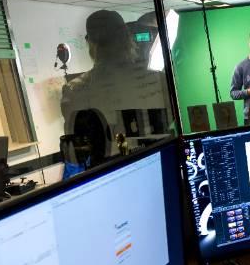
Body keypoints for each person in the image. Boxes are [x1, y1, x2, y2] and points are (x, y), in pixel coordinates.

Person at [61, 10, 172, 163]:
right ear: (127, 37)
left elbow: (76, 153)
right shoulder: (158, 79)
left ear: (89, 42)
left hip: (109, 171)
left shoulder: (74, 89)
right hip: (161, 159)